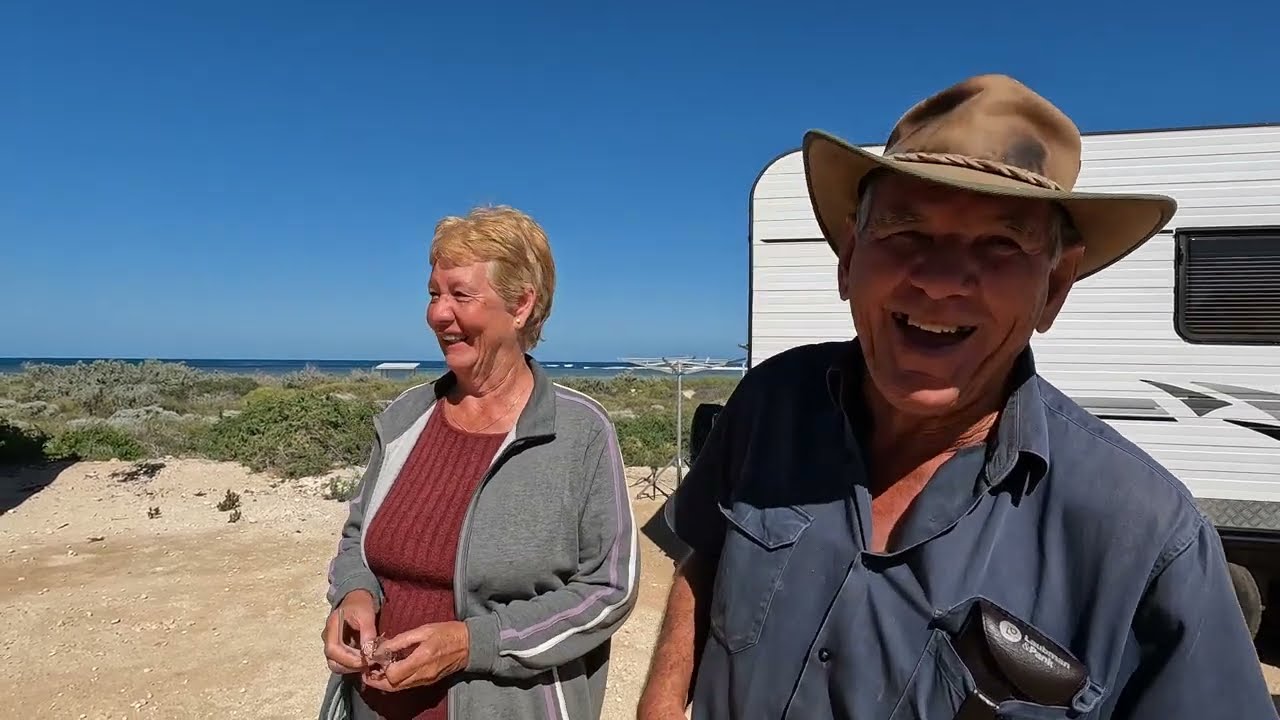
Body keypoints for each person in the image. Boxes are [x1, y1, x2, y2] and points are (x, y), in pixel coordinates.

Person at [637, 74, 1277, 719]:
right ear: (849, 258)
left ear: (1054, 288)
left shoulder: (1144, 531)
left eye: (1002, 243)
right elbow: (704, 562)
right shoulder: (772, 400)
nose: (941, 282)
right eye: (905, 231)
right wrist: (659, 708)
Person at [318, 205, 638, 720]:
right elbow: (357, 538)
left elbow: (608, 590)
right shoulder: (405, 419)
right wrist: (354, 594)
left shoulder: (580, 433)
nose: (438, 314)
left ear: (521, 306)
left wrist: (474, 643)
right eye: (432, 294)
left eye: (460, 295)